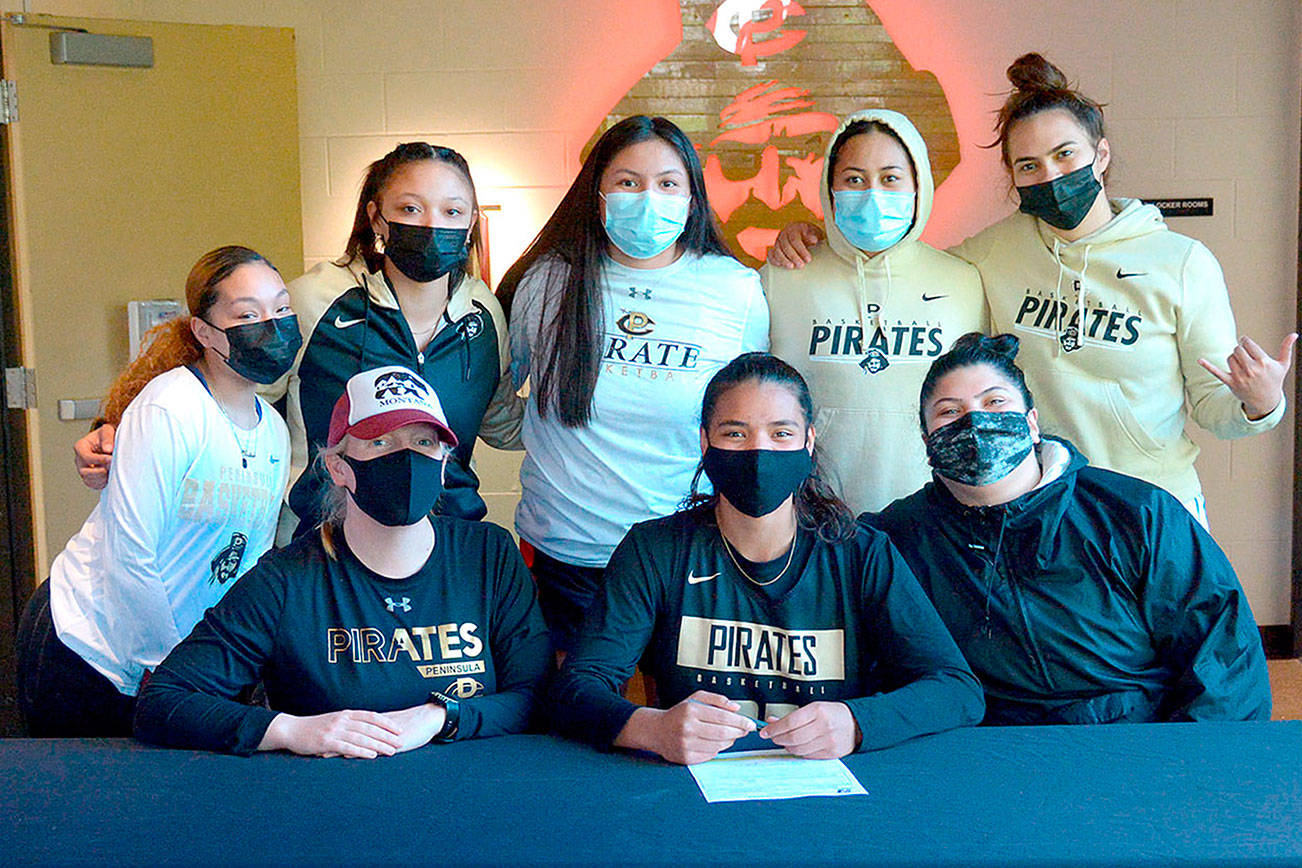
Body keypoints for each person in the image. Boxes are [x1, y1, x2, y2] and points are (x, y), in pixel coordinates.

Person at [767, 55, 1294, 522]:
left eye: (1065, 155)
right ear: (1013, 177)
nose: (1050, 175)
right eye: (1029, 165)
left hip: (1152, 505)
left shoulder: (1181, 263)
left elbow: (1216, 407)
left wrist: (1260, 403)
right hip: (1040, 504)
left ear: (1101, 155)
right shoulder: (993, 253)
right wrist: (813, 240)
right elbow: (905, 265)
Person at [550, 353, 983, 764]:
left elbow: (957, 689)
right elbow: (576, 687)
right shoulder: (655, 550)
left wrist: (856, 722)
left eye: (781, 434)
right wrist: (653, 728)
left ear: (808, 442)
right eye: (735, 434)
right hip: (693, 783)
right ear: (704, 441)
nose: (759, 453)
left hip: (832, 783)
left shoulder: (862, 553)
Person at [74, 142, 522, 536]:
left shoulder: (483, 315)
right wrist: (117, 430)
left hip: (449, 545)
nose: (430, 224)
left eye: (451, 211)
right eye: (409, 208)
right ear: (376, 218)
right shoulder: (318, 301)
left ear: (470, 224)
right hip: (322, 543)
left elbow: (501, 420)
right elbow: (221, 389)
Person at [134, 366, 550, 757]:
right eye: (380, 443)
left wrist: (440, 716)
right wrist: (292, 731)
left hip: (469, 792)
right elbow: (164, 701)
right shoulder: (286, 581)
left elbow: (535, 697)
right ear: (338, 468)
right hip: (334, 792)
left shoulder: (489, 556)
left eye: (423, 442)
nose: (406, 457)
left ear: (444, 464)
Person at [865, 332, 1271, 725]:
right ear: (927, 441)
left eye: (995, 402)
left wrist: (1193, 759)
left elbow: (1223, 655)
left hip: (1133, 738)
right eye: (950, 412)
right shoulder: (894, 540)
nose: (976, 421)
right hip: (987, 747)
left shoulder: (1135, 513)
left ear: (1032, 423)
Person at [497, 115, 769, 652]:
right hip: (563, 553)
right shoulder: (547, 280)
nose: (648, 199)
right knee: (573, 699)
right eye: (628, 182)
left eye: (667, 183)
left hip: (684, 551)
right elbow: (497, 387)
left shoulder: (734, 289)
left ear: (692, 198)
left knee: (681, 701)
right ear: (597, 194)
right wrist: (529, 434)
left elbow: (746, 416)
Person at [16, 246, 296, 736]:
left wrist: (214, 662)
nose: (271, 326)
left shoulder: (273, 431)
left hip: (173, 667)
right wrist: (169, 667)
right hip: (88, 649)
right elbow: (130, 553)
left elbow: (248, 561)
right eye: (247, 315)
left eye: (281, 308)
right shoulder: (171, 407)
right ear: (204, 332)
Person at [763, 108, 986, 514]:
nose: (872, 194)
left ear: (918, 185)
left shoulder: (965, 281)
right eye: (854, 179)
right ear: (829, 188)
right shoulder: (785, 276)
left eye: (890, 178)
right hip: (813, 513)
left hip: (932, 515)